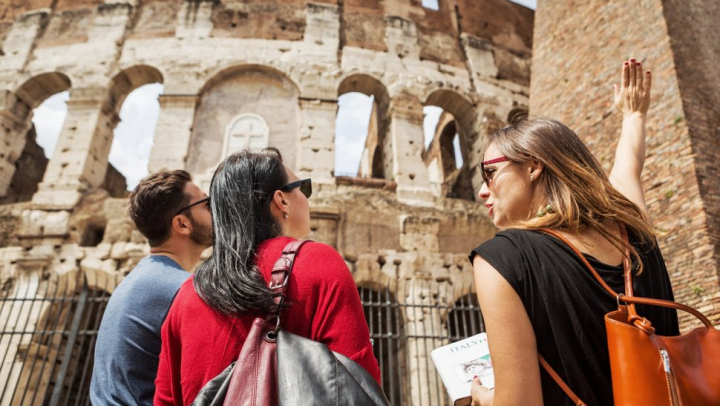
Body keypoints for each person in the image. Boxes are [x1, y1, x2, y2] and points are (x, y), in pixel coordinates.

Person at [468, 59, 679, 406]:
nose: (482, 190)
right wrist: (634, 115)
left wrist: (485, 399)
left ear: (534, 166)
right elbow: (630, 164)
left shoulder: (501, 259)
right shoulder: (633, 228)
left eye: (488, 172)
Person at [154, 148, 381, 405]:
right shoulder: (319, 262)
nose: (307, 199)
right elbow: (359, 382)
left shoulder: (187, 293)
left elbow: (166, 398)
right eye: (303, 189)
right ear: (281, 200)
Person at [90, 170, 212, 406]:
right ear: (182, 224)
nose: (215, 210)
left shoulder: (137, 279)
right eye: (207, 204)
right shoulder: (182, 289)